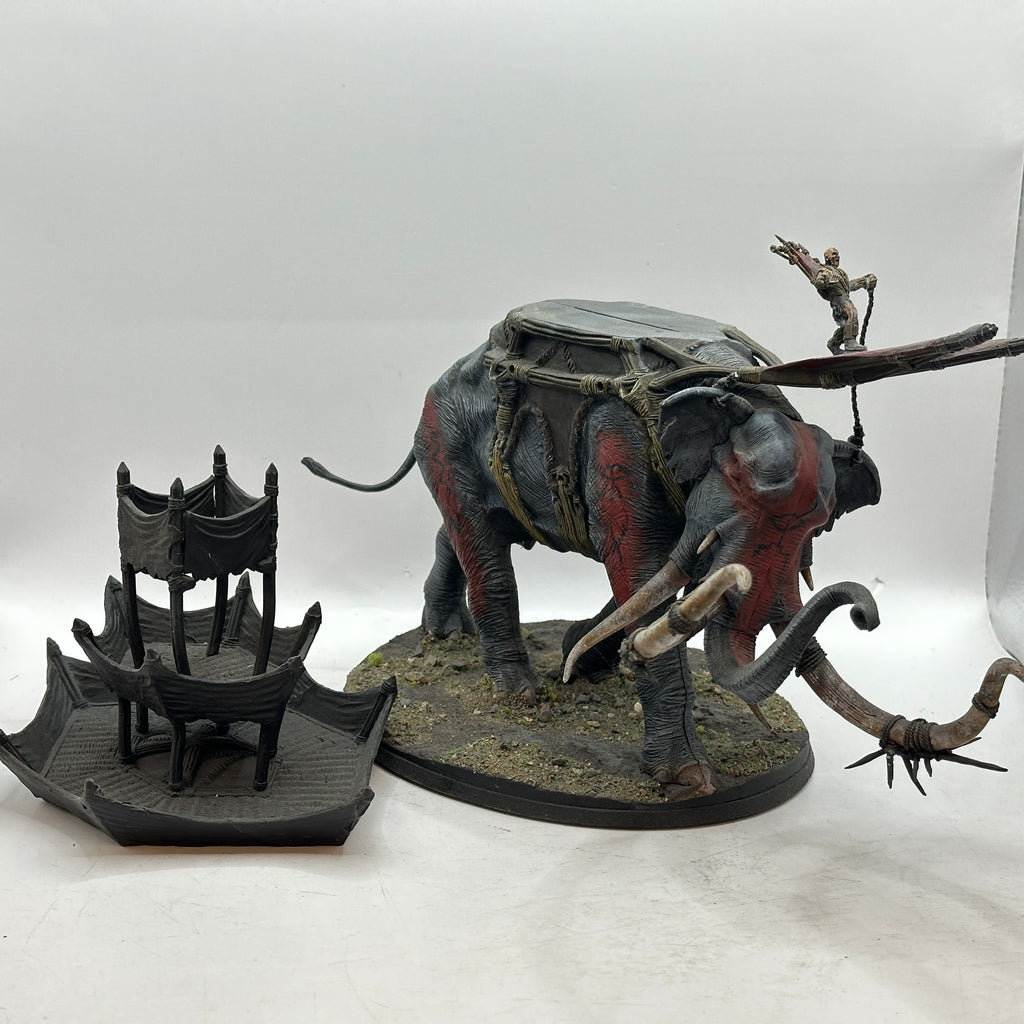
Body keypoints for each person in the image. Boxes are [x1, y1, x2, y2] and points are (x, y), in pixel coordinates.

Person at [771, 239, 877, 353]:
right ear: (827, 258)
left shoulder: (839, 273)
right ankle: (850, 342)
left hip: (843, 299)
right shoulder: (825, 271)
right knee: (852, 313)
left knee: (846, 325)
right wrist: (825, 281)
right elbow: (819, 283)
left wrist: (864, 281)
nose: (837, 256)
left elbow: (848, 286)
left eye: (838, 254)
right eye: (834, 254)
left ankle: (833, 344)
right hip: (838, 302)